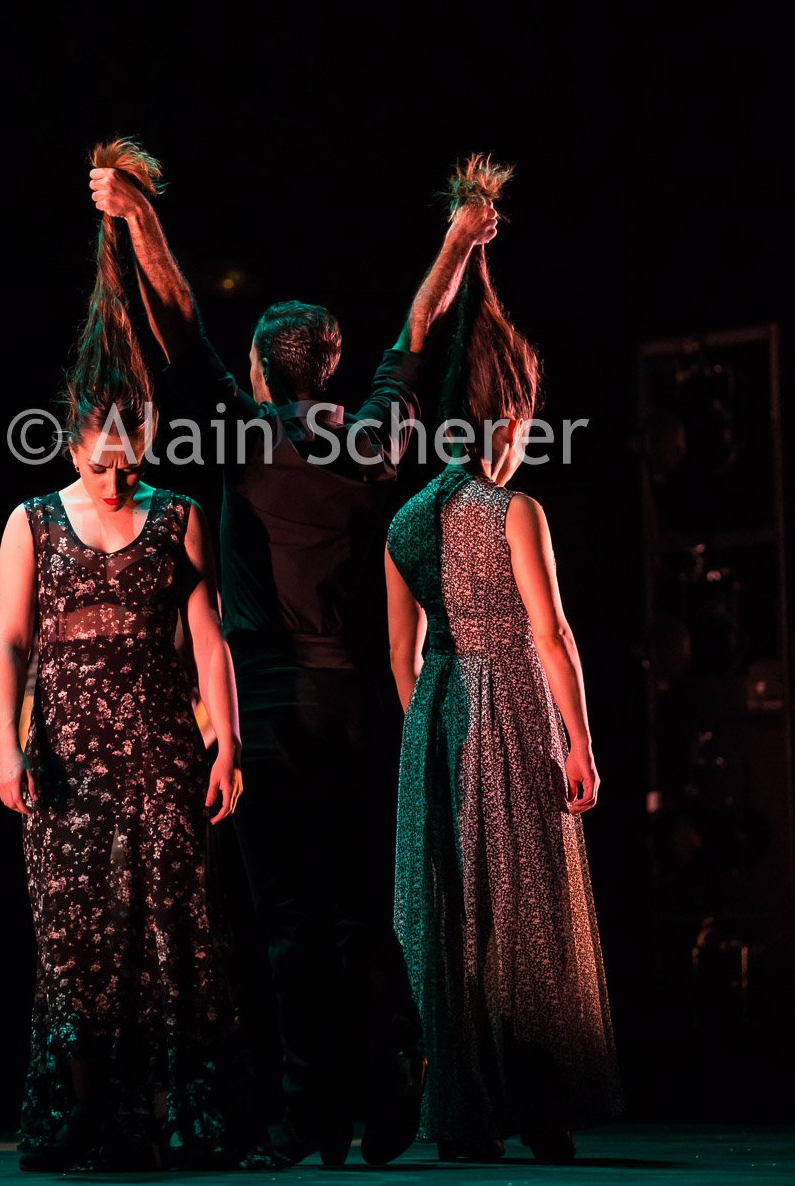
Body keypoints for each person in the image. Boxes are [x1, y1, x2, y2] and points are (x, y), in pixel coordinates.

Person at [87, 140, 498, 1166]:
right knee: (356, 907)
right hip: (360, 706)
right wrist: (458, 237)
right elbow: (419, 331)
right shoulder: (374, 437)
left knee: (286, 918)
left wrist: (137, 215)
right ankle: (388, 1070)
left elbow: (177, 316)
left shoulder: (237, 434)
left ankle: (311, 1114)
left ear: (265, 368)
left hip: (271, 708)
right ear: (334, 362)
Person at [0, 139, 274, 1172]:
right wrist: (7, 746)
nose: (117, 478)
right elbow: (9, 642)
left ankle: (169, 1116)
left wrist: (226, 744)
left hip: (157, 745)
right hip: (67, 750)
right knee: (75, 938)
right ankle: (82, 1114)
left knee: (171, 931)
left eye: (132, 457)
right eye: (102, 460)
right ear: (73, 442)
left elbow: (208, 637)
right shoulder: (31, 519)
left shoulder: (176, 513)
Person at [385, 158, 624, 1164]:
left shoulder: (404, 521)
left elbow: (401, 656)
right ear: (512, 415)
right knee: (524, 902)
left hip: (437, 710)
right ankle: (539, 1101)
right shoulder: (514, 510)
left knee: (450, 911)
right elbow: (551, 634)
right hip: (510, 702)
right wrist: (578, 740)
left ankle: (464, 1106)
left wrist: (430, 732)